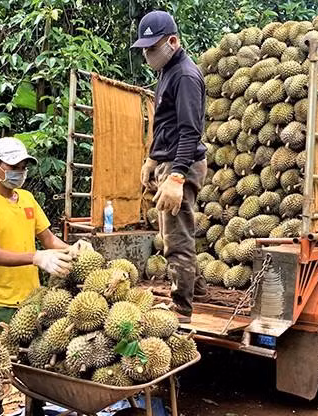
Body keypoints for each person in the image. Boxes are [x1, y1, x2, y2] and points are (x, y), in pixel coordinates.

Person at [0, 136, 90, 416]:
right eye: (13, 165)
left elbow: (49, 241)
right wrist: (36, 258)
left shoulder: (29, 201)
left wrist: (71, 250)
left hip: (35, 300)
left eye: (23, 166)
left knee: (38, 365)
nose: (19, 171)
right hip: (0, 302)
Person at [133, 10, 208, 323]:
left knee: (175, 237)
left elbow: (190, 131)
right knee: (176, 230)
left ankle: (182, 307)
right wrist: (152, 158)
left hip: (183, 164)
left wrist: (176, 176)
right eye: (146, 48)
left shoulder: (186, 76)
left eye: (154, 47)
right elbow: (166, 124)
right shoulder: (167, 70)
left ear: (173, 41)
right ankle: (198, 286)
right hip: (168, 160)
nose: (149, 54)